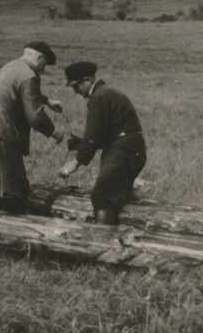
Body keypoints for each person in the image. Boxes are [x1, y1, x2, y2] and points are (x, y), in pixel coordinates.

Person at [0, 41, 66, 213]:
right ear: (39, 58)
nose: (43, 69)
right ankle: (10, 230)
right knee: (14, 189)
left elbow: (20, 89)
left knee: (0, 183)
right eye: (44, 64)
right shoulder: (29, 76)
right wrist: (55, 132)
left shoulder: (11, 66)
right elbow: (35, 116)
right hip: (4, 134)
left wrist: (47, 100)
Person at [58, 61, 147, 225]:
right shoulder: (105, 92)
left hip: (124, 150)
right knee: (114, 194)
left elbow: (94, 134)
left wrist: (76, 161)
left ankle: (100, 242)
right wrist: (81, 143)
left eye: (76, 86)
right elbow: (102, 135)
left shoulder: (99, 96)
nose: (75, 91)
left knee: (102, 194)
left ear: (87, 80)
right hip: (128, 147)